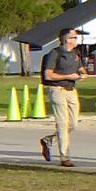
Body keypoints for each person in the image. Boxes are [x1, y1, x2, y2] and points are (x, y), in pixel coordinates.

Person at [39, 27, 85, 167]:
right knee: (62, 123)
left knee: (73, 123)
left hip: (71, 90)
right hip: (57, 89)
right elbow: (48, 74)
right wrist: (67, 76)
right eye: (73, 37)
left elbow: (80, 68)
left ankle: (49, 140)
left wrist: (82, 74)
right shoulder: (55, 54)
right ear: (66, 39)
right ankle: (64, 156)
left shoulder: (76, 54)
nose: (76, 40)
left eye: (76, 37)